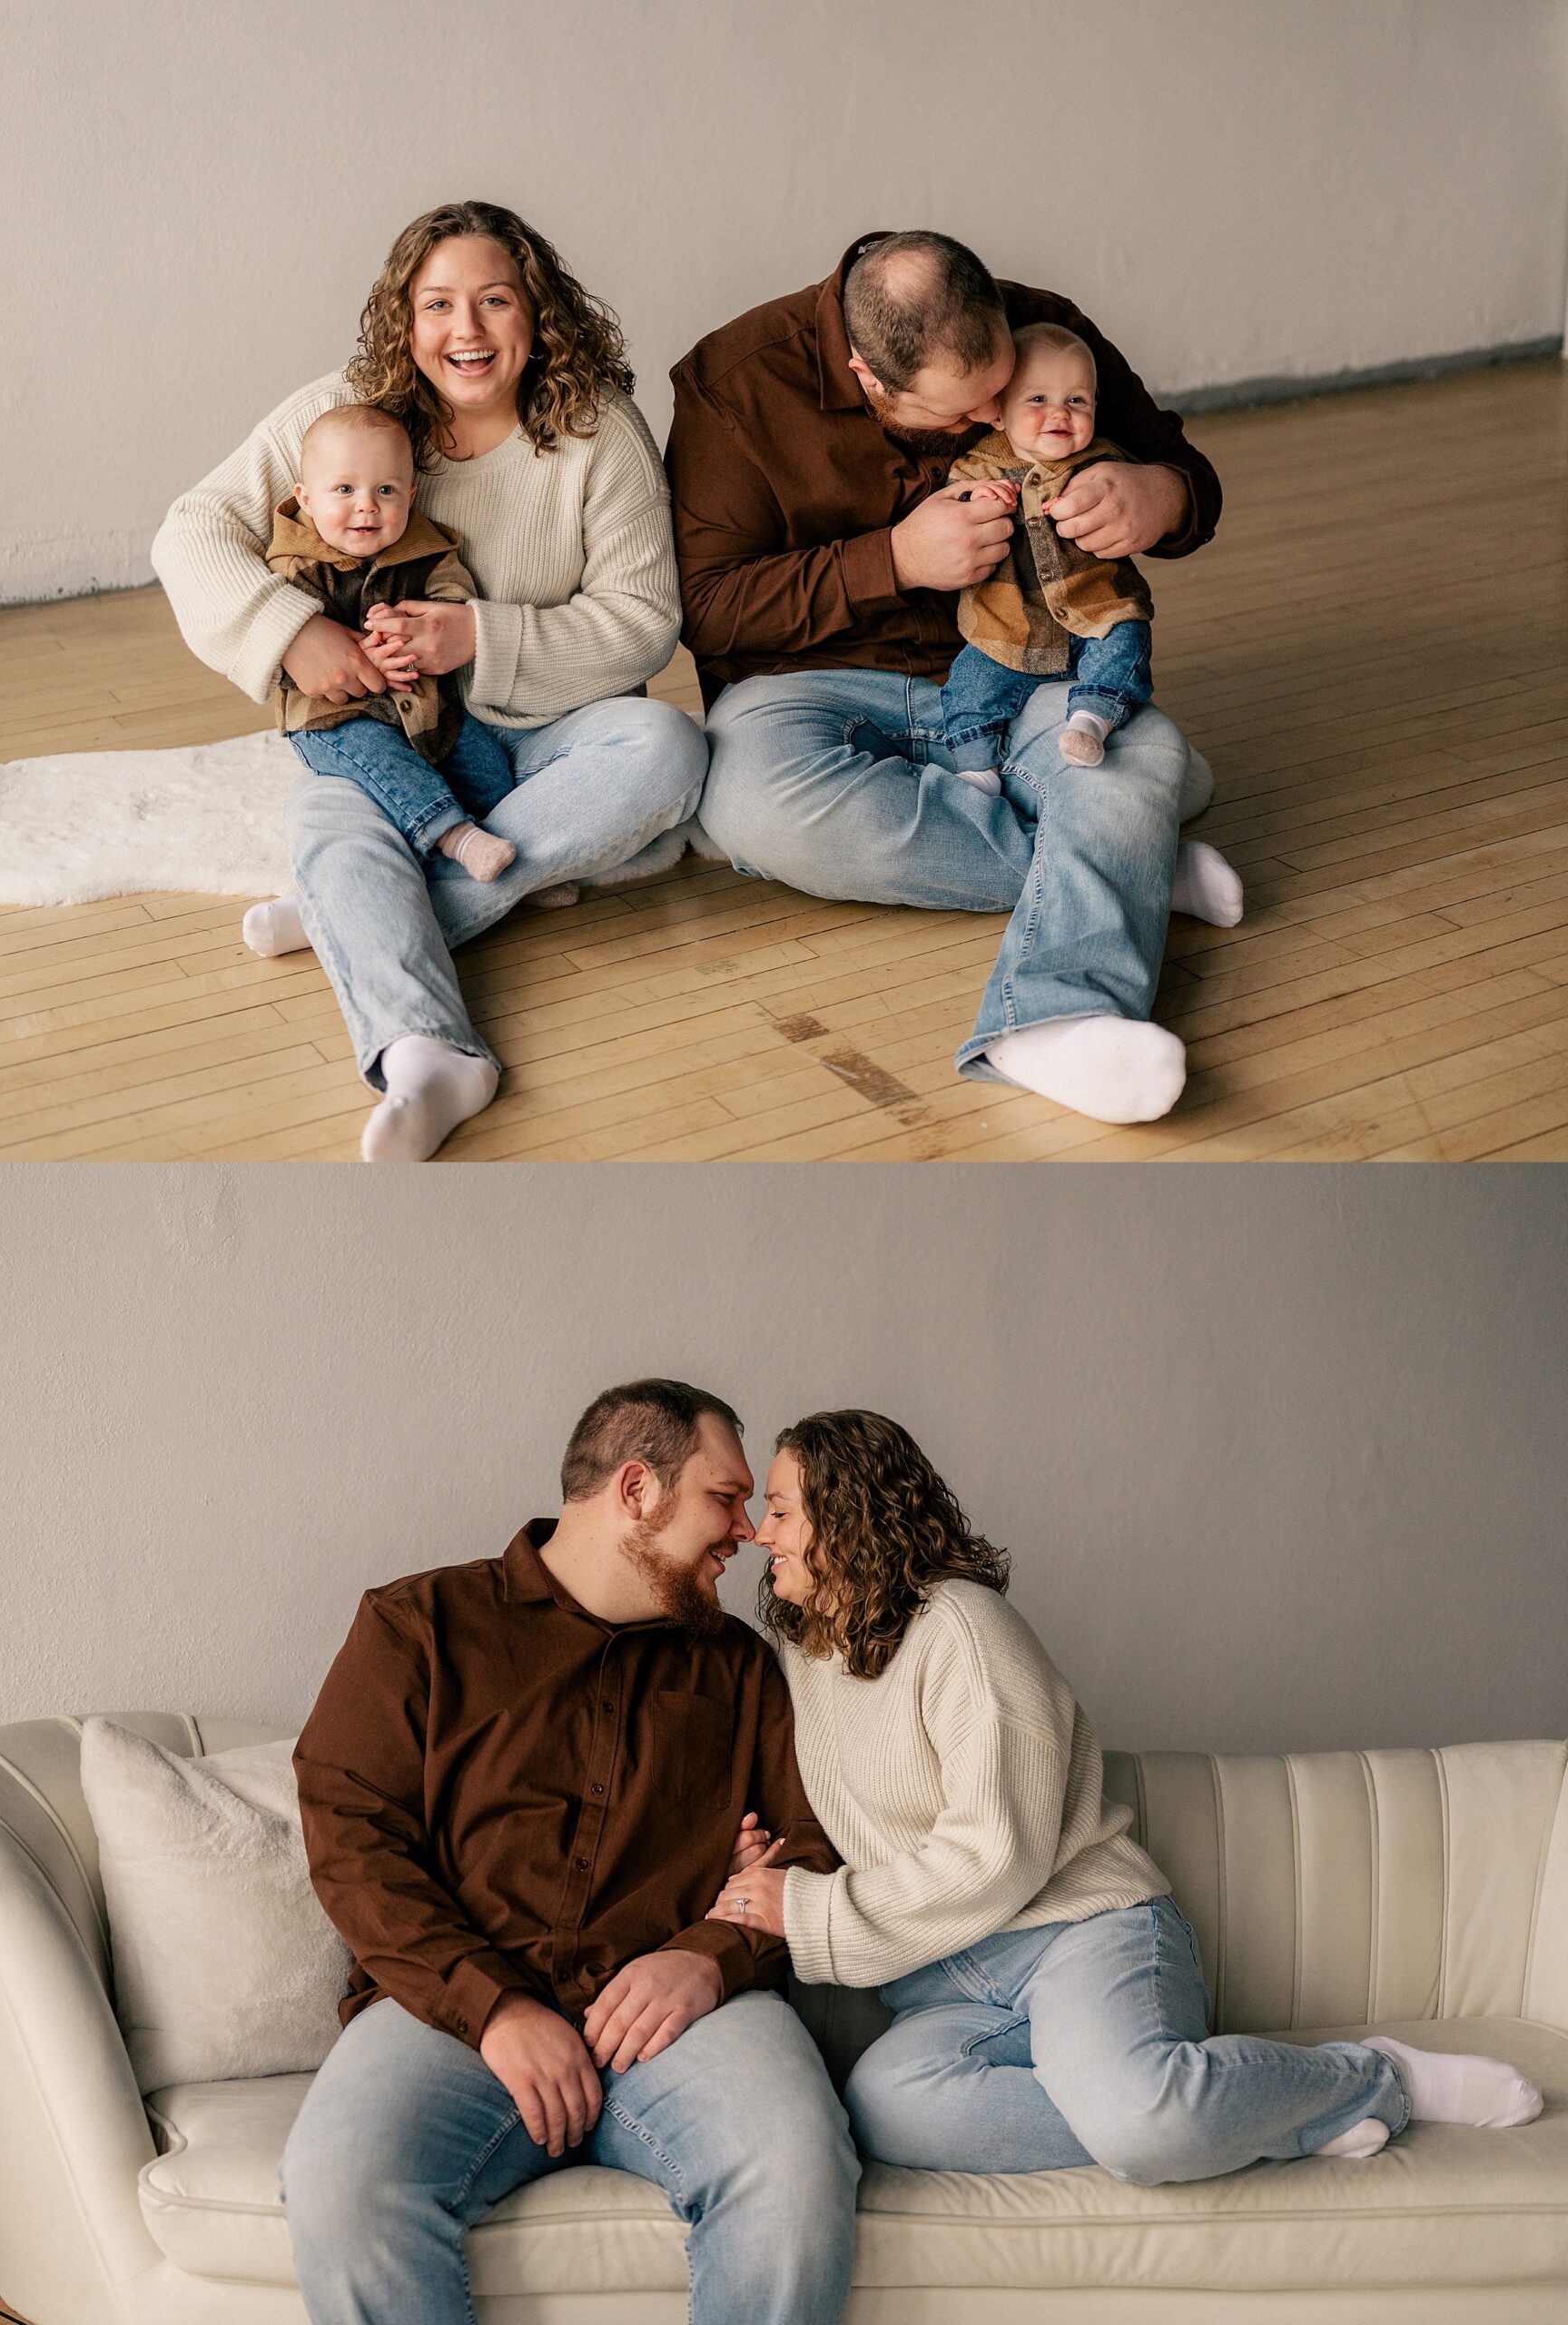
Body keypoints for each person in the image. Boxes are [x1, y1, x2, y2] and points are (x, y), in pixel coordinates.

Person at [713, 1410, 1544, 2183]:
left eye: (781, 1511)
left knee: (1141, 2126)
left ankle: (1370, 2077)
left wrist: (809, 1912)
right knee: (886, 2108)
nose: (757, 1534)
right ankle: (1244, 2113)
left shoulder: (963, 1629)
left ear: (852, 1515)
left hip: (1078, 1937)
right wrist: (771, 1858)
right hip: (946, 1982)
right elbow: (849, 1809)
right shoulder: (809, 1658)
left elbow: (995, 1854)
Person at [282, 1380, 860, 2325]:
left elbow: (809, 1847)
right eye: (725, 1497)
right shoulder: (416, 1627)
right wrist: (495, 2006)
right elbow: (353, 1843)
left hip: (684, 2023)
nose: (748, 1530)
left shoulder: (741, 1668)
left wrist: (706, 1958)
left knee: (793, 2165)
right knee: (340, 2185)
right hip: (450, 2013)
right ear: (637, 1489)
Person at [154, 202, 706, 1162]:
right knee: (329, 812)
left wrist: (475, 637)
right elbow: (191, 530)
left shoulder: (598, 434)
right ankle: (429, 1053)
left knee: (666, 747)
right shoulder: (346, 414)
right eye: (438, 304)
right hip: (400, 731)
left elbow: (645, 621)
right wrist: (294, 633)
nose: (467, 330)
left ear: (537, 314)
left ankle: (359, 916)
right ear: (404, 322)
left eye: (495, 300)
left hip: (546, 740)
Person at [667, 229, 1244, 1128]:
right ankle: (1126, 860)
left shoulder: (1047, 329)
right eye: (960, 413)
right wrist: (891, 557)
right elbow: (704, 607)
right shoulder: (734, 383)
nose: (988, 423)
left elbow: (1189, 479)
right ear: (867, 374)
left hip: (1023, 665)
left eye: (999, 395)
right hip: (815, 687)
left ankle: (1050, 1020)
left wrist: (1156, 496)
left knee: (1146, 750)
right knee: (746, 801)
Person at [264, 403, 518, 887]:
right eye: (344, 489)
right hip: (336, 719)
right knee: (389, 767)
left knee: (487, 766)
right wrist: (363, 652)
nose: (367, 505)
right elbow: (279, 654)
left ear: (411, 494)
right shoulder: (294, 567)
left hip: (424, 703)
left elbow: (454, 596)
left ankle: (514, 868)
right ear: (307, 498)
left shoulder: (426, 548)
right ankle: (457, 839)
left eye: (386, 490)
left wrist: (420, 624)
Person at [941, 322, 1156, 786]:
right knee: (968, 683)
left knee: (1127, 640)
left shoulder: (1102, 462)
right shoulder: (977, 467)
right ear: (997, 412)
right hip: (1006, 626)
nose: (1059, 413)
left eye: (1076, 400)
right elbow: (950, 514)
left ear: (1095, 407)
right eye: (1037, 399)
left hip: (1094, 610)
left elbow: (1129, 502)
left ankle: (1090, 721)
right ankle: (976, 768)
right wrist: (976, 501)